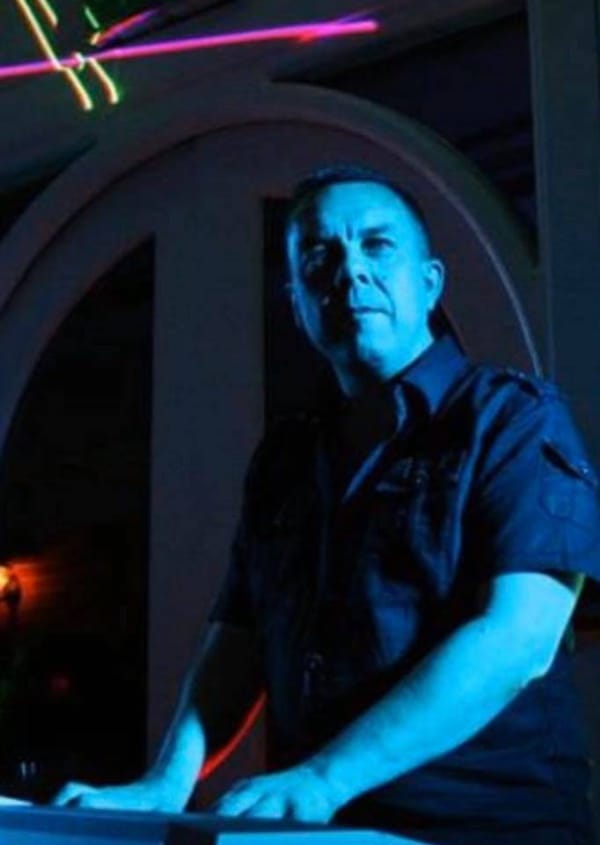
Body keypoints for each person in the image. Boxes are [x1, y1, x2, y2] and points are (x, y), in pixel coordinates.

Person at [55, 166, 600, 844]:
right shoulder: (284, 459)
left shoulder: (513, 419)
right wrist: (167, 782)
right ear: (298, 303)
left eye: (378, 245)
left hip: (487, 831)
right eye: (320, 256)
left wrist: (324, 779)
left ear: (430, 282)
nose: (350, 271)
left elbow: (521, 638)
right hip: (329, 832)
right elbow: (239, 637)